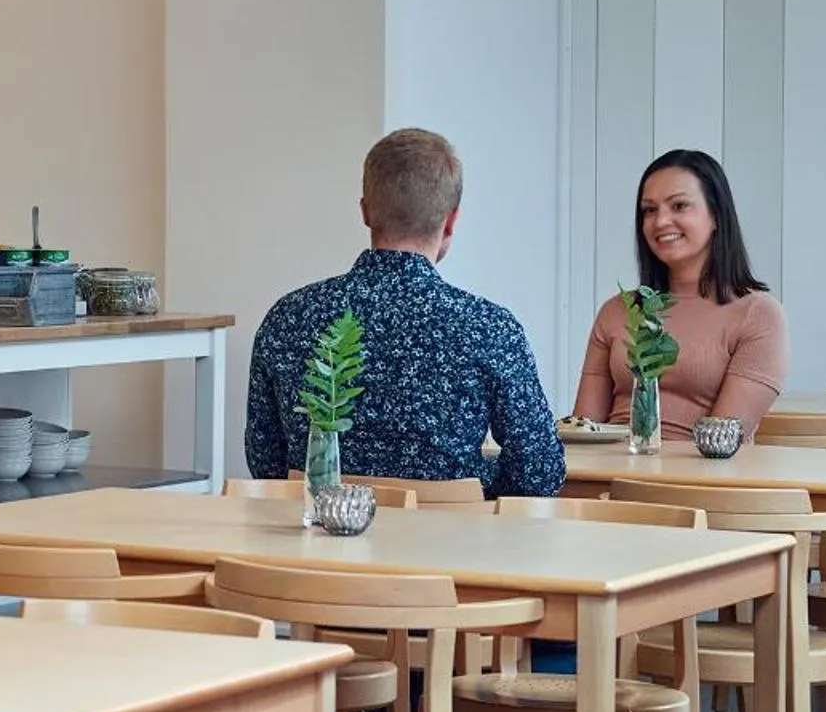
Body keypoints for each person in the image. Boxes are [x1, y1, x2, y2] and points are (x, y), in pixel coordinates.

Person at [246, 128, 564, 500]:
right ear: (450, 221)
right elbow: (539, 472)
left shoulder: (287, 319)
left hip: (319, 549)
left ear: (365, 211)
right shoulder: (489, 328)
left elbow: (266, 465)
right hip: (453, 550)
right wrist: (471, 489)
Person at [573, 149, 787, 441]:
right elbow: (583, 432)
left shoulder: (758, 314)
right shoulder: (616, 311)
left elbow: (720, 443)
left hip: (698, 483)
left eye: (679, 206)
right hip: (608, 481)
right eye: (649, 210)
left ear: (716, 216)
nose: (660, 221)